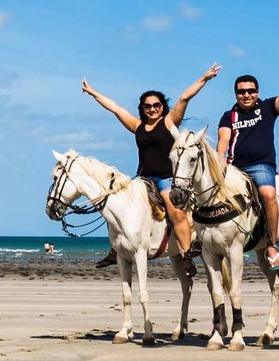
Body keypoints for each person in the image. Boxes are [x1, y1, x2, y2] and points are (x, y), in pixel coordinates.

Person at [81, 62, 222, 278]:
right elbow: (116, 108)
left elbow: (184, 98)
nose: (152, 109)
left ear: (162, 107)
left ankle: (186, 253)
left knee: (175, 211)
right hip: (143, 179)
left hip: (166, 178)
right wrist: (93, 93)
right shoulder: (138, 127)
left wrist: (204, 78)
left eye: (156, 105)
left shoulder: (168, 122)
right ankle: (115, 248)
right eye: (148, 106)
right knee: (115, 204)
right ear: (143, 108)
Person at [217, 55, 279, 269]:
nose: (246, 95)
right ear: (235, 94)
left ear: (257, 92)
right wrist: (219, 166)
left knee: (268, 194)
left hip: (261, 166)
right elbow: (223, 140)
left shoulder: (267, 108)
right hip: (234, 167)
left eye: (251, 91)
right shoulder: (229, 116)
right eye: (241, 91)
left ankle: (272, 243)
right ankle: (204, 239)